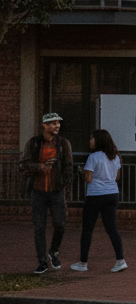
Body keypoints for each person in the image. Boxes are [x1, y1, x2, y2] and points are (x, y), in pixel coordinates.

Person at [19, 112, 75, 275]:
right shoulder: (34, 143)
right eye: (52, 123)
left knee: (60, 224)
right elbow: (23, 165)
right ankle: (42, 261)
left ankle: (54, 251)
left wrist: (67, 189)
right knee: (39, 227)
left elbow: (68, 167)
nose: (56, 126)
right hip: (38, 192)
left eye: (58, 123)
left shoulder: (64, 144)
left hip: (57, 191)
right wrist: (40, 167)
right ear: (44, 125)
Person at [70, 129, 126, 273]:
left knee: (87, 229)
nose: (90, 141)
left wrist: (81, 173)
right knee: (111, 228)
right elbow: (117, 177)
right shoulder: (116, 157)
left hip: (95, 195)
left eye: (92, 139)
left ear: (98, 141)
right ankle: (120, 260)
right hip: (112, 193)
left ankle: (83, 263)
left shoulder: (93, 157)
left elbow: (88, 178)